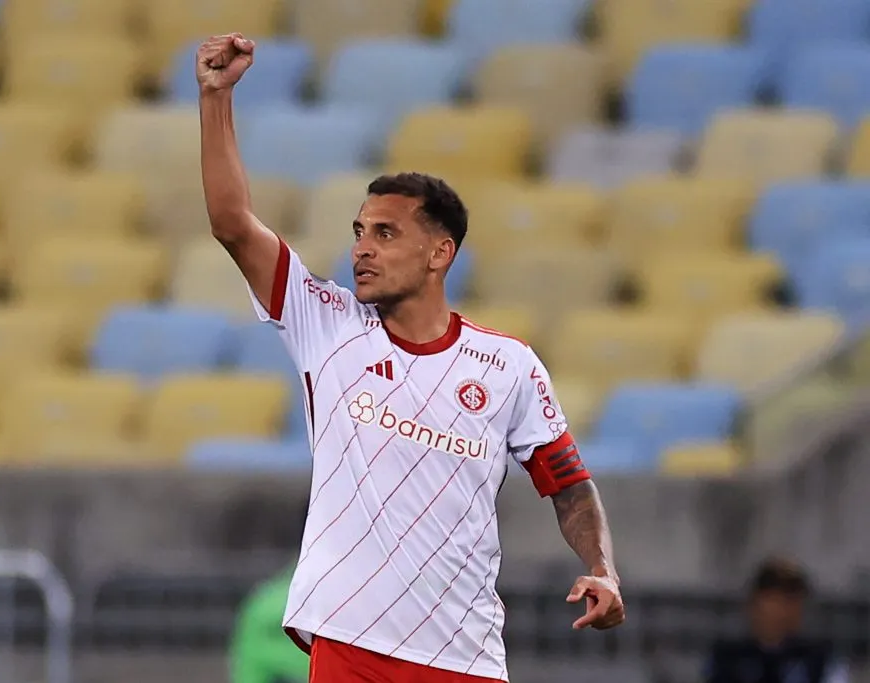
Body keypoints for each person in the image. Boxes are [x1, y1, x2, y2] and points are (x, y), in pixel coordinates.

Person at [196, 32, 626, 683]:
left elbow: (567, 484)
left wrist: (602, 565)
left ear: (439, 252)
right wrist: (215, 98)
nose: (362, 248)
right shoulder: (327, 323)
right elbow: (232, 222)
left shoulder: (507, 365)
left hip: (463, 652)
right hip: (349, 639)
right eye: (359, 232)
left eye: (386, 233)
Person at [704, 559, 849, 683]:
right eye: (775, 600)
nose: (782, 611)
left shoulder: (820, 660)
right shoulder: (727, 658)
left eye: (792, 600)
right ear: (754, 604)